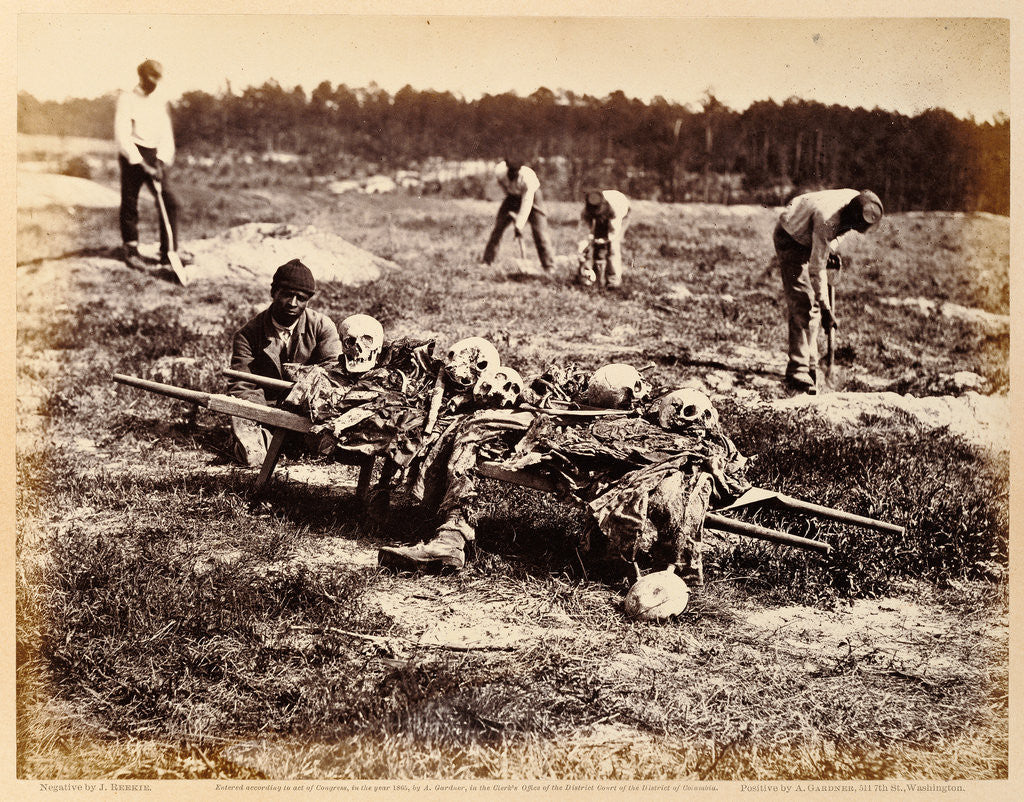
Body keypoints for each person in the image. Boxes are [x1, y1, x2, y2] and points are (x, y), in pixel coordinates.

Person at [227, 259, 342, 466]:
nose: (293, 303)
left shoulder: (323, 327)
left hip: (309, 412)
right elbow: (241, 387)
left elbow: (334, 375)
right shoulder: (248, 334)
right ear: (274, 292)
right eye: (287, 294)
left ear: (309, 300)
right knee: (254, 454)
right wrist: (267, 416)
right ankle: (258, 442)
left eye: (301, 298)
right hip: (266, 413)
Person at [773, 188, 884, 392]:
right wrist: (826, 308)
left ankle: (811, 364)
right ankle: (798, 369)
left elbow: (838, 233)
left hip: (811, 233)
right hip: (791, 236)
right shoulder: (828, 220)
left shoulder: (856, 200)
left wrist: (829, 250)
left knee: (811, 304)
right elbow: (817, 269)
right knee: (803, 302)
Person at [114, 59, 184, 271]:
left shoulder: (159, 100)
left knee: (170, 202)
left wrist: (161, 162)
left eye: (158, 78)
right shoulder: (127, 99)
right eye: (151, 77)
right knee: (130, 202)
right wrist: (142, 164)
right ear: (142, 76)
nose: (155, 82)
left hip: (155, 155)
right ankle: (131, 250)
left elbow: (166, 134)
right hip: (133, 154)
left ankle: (168, 253)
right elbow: (122, 135)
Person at [481, 159, 556, 273]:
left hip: (533, 198)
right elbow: (499, 188)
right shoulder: (500, 172)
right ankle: (487, 262)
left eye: (515, 171)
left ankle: (549, 266)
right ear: (507, 168)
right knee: (498, 228)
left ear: (520, 169)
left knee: (540, 232)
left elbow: (526, 203)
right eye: (510, 170)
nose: (512, 174)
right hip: (512, 197)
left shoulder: (527, 178)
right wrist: (511, 210)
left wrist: (519, 224)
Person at [580, 189, 631, 288]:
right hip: (607, 217)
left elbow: (614, 232)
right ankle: (591, 278)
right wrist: (585, 243)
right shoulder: (587, 210)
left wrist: (604, 240)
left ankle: (613, 281)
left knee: (612, 248)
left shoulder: (615, 209)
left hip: (622, 216)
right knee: (590, 249)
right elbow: (583, 230)